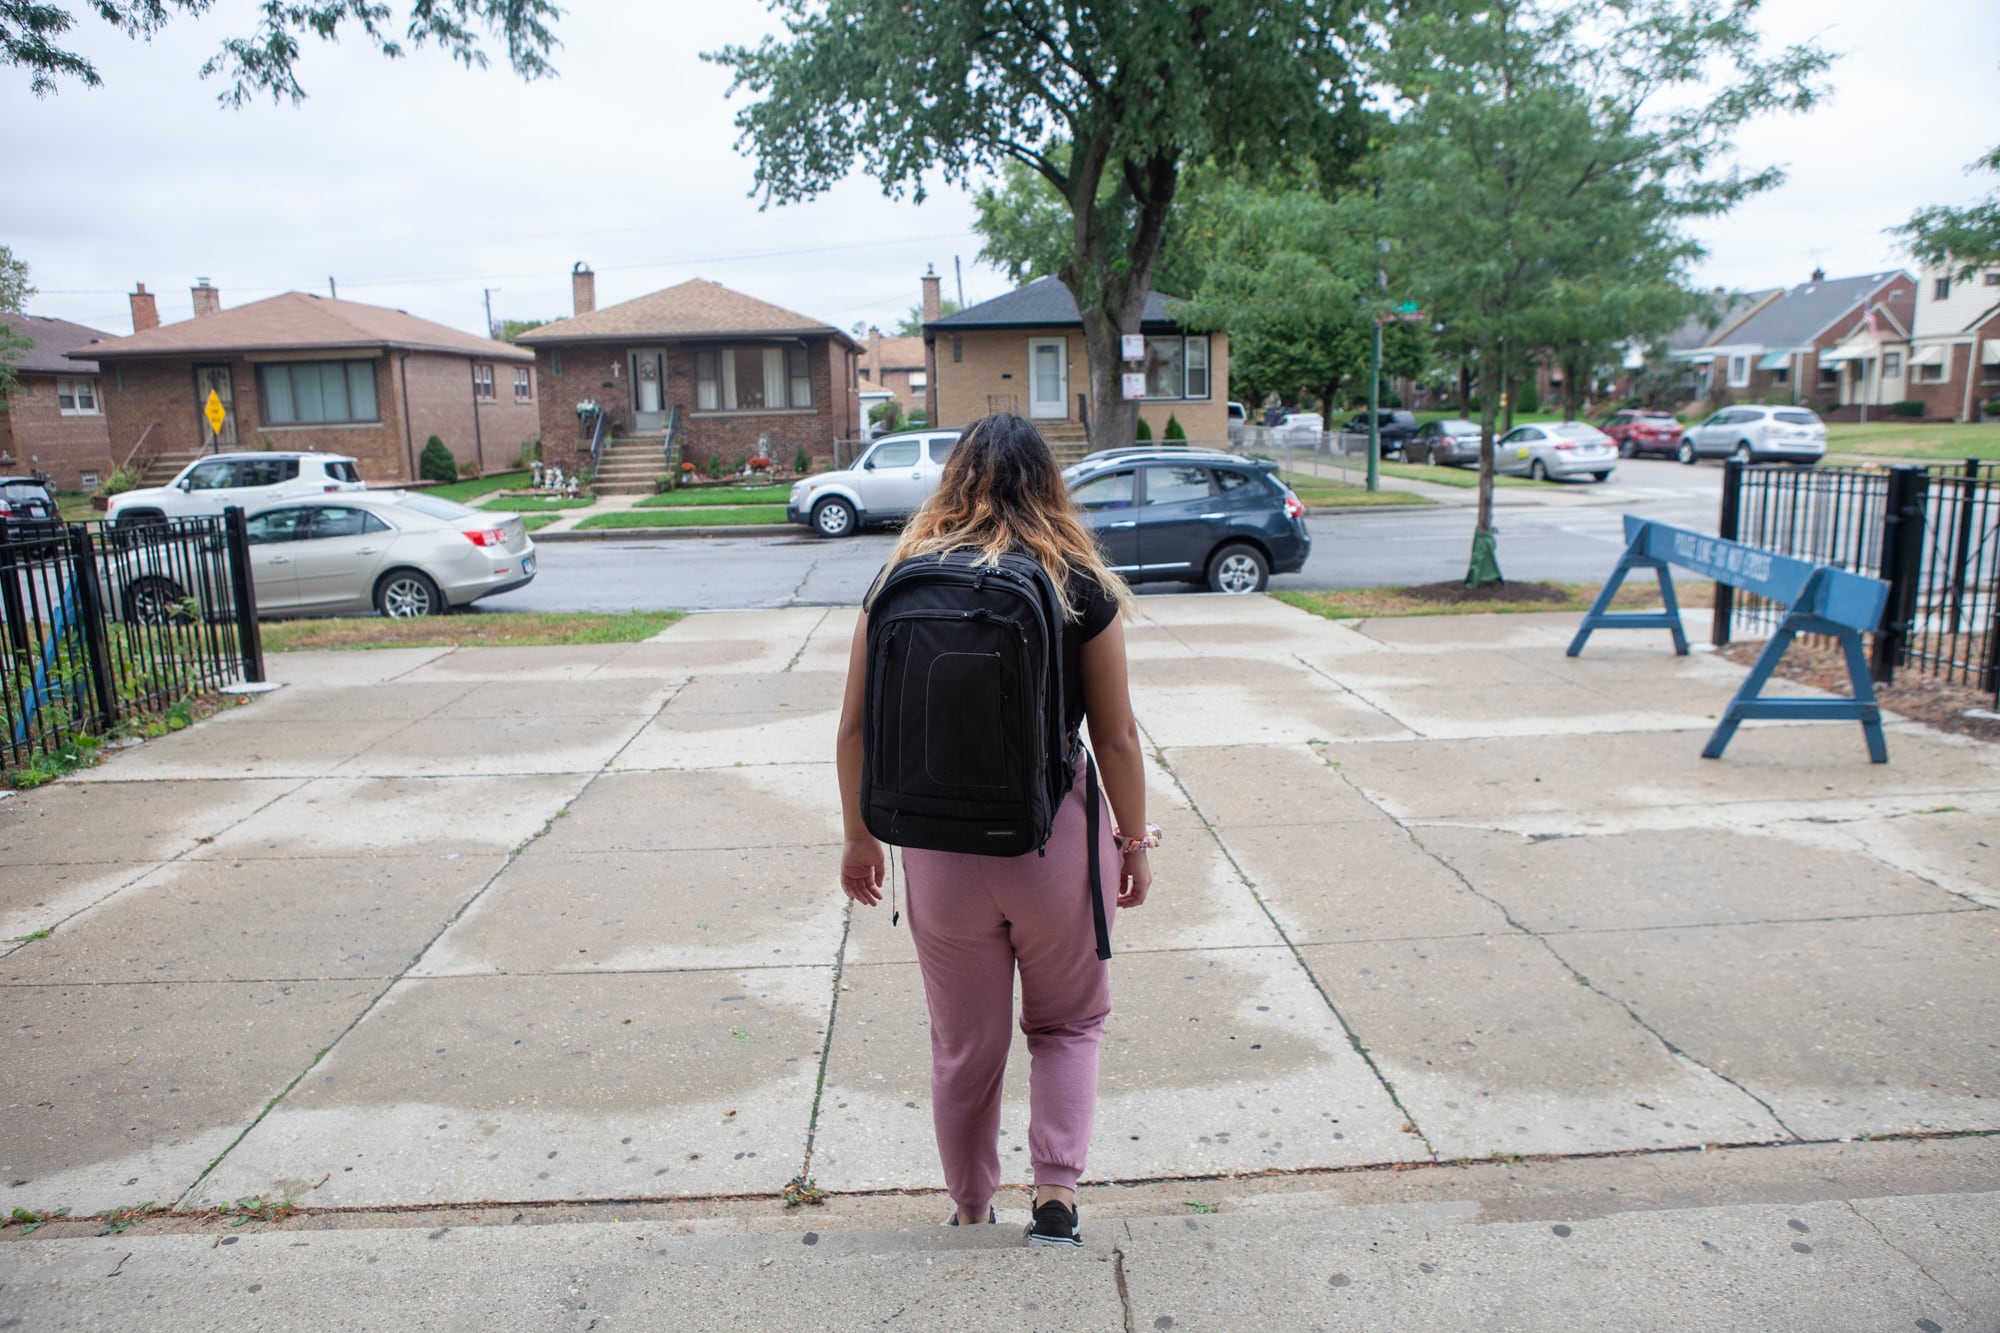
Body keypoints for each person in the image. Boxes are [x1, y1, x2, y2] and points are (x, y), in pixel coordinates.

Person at [834, 413, 1155, 1247]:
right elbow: (1117, 736)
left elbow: (854, 729)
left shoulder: (899, 577)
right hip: (1052, 845)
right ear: (1049, 482)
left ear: (953, 479)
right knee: (1068, 1023)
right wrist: (1134, 840)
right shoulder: (1078, 579)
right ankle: (1055, 1198)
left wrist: (860, 836)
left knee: (963, 1044)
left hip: (938, 853)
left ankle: (971, 1207)